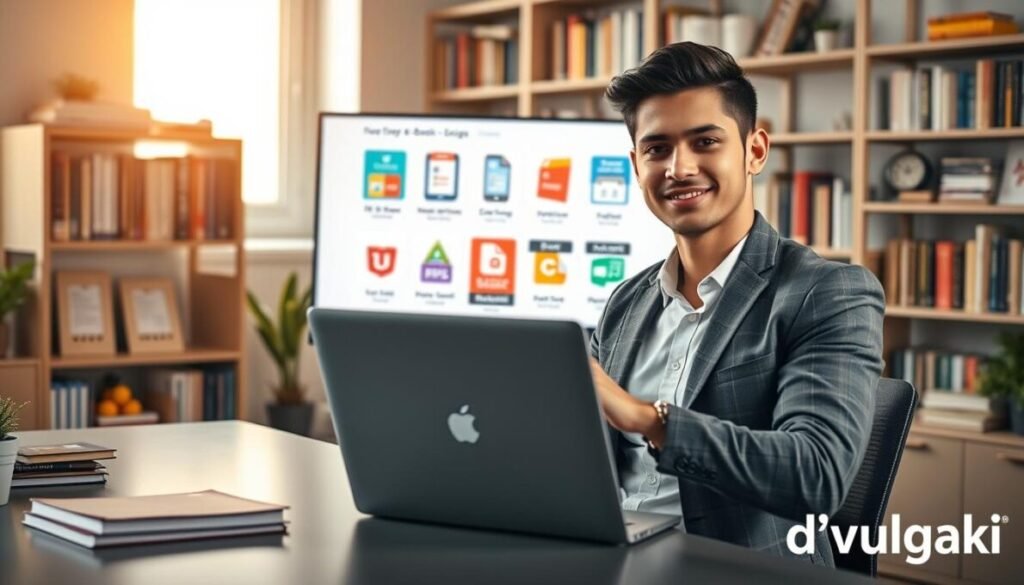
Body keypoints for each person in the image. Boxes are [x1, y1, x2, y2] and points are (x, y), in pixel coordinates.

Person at [589, 42, 885, 566]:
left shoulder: (827, 293)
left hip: (738, 570)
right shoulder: (625, 302)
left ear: (754, 150)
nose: (679, 168)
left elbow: (817, 473)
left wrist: (648, 419)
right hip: (614, 556)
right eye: (657, 149)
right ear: (637, 165)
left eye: (705, 141)